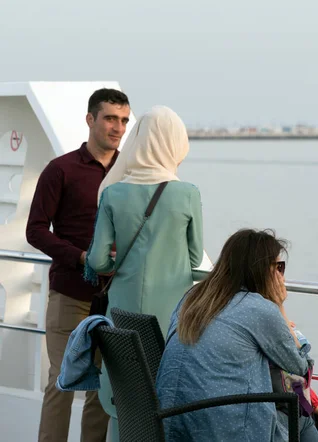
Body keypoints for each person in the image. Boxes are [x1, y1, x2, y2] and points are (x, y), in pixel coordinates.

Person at [84, 105, 203, 440]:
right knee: (167, 399)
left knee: (123, 399)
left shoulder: (113, 193)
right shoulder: (187, 194)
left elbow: (97, 261)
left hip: (121, 309)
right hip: (171, 316)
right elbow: (196, 257)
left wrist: (117, 264)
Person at [26, 88, 130, 442]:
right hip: (70, 294)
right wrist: (81, 257)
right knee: (62, 381)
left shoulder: (131, 172)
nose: (118, 128)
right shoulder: (61, 170)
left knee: (101, 391)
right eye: (110, 119)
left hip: (116, 298)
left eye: (124, 121)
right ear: (90, 119)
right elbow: (35, 230)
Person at [155, 229, 318, 441]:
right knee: (303, 417)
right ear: (260, 270)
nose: (281, 276)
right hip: (225, 429)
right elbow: (300, 369)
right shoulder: (259, 309)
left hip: (172, 424)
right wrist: (279, 306)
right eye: (278, 267)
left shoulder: (191, 298)